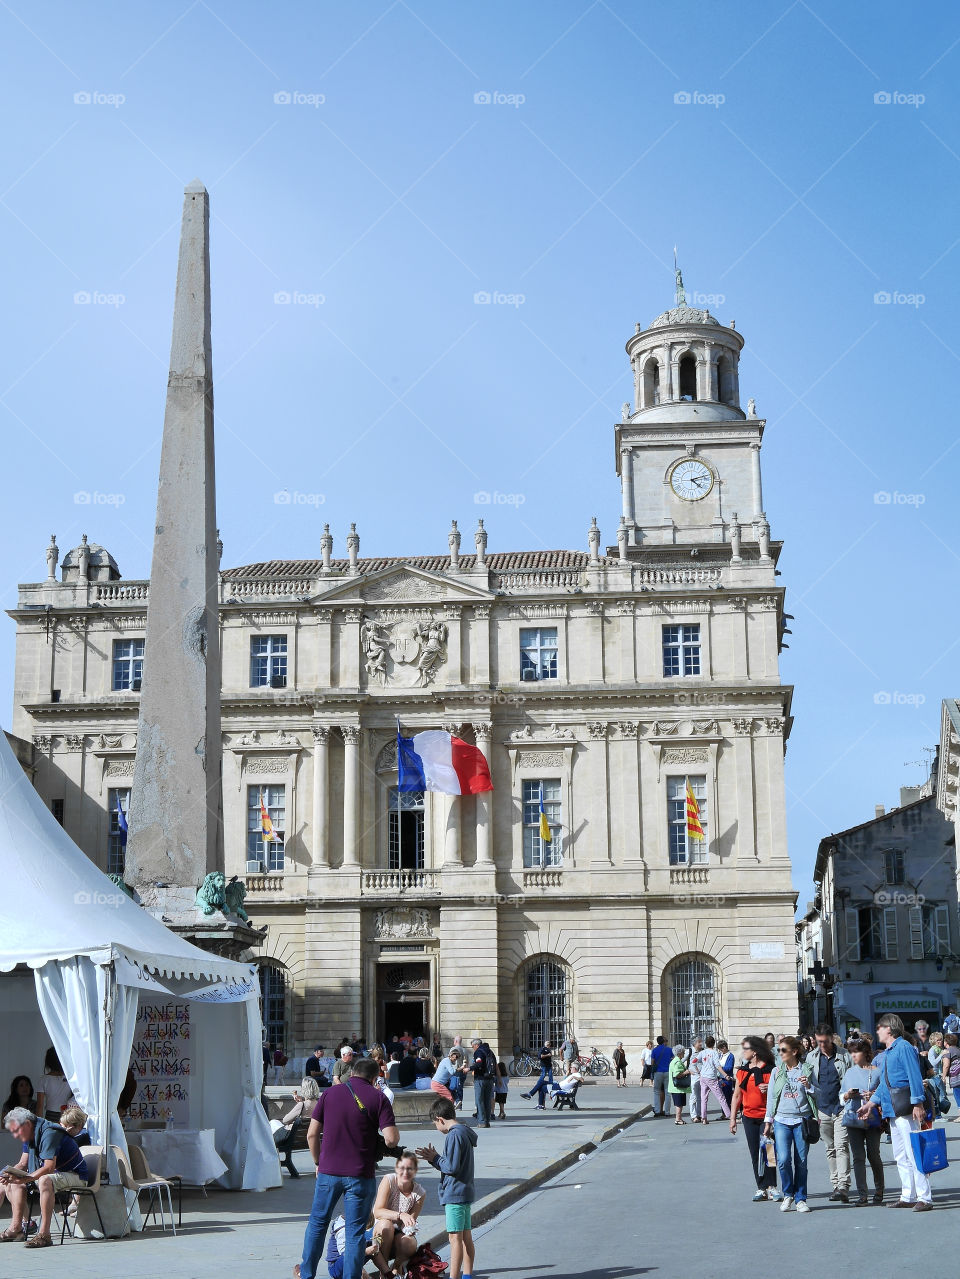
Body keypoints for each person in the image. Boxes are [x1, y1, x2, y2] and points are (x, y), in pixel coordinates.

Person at [297, 1057, 400, 1279]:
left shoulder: (329, 1094)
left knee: (317, 1223)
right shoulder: (378, 1097)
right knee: (354, 1233)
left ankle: (306, 1274)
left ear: (351, 1073)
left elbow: (312, 1134)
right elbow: (391, 1139)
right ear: (375, 1079)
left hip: (328, 1172)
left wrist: (318, 1163)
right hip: (361, 1174)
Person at [858, 1013, 932, 1210]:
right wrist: (870, 1104)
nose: (877, 1031)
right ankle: (908, 1195)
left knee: (914, 1152)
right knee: (900, 1154)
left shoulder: (904, 1048)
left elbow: (914, 1076)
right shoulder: (888, 1052)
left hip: (906, 1107)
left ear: (889, 1029)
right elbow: (884, 1085)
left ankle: (925, 1197)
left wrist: (918, 1103)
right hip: (893, 1108)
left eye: (879, 1028)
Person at [1, 1107, 91, 1248]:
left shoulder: (50, 1133)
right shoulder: (29, 1133)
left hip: (76, 1175)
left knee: (45, 1180)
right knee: (10, 1183)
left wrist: (25, 1179)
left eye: (16, 1130)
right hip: (55, 1174)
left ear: (27, 1125)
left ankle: (44, 1235)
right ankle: (16, 1228)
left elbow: (49, 1167)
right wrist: (7, 1174)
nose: (15, 1135)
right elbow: (23, 1163)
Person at [416, 1097, 478, 1279]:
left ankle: (455, 1276)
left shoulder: (453, 1135)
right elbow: (453, 1165)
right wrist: (435, 1160)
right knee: (466, 1237)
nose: (436, 1127)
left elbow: (451, 1167)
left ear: (440, 1119)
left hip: (455, 1194)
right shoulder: (464, 1132)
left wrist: (435, 1158)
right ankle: (467, 1274)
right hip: (465, 1191)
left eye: (435, 1123)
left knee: (454, 1238)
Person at [763, 1035, 815, 1214]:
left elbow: (818, 1093)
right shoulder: (776, 1072)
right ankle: (788, 1194)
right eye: (779, 1050)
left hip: (801, 1120)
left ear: (794, 1051)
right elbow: (771, 1097)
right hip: (781, 1120)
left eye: (783, 1050)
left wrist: (809, 1086)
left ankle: (800, 1198)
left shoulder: (807, 1069)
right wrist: (768, 1121)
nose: (780, 1053)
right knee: (783, 1160)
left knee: (801, 1162)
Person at [806, 1022, 852, 1203]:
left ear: (832, 1038)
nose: (822, 1045)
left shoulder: (844, 1055)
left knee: (841, 1146)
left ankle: (843, 1186)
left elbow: (850, 1078)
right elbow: (809, 1083)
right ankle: (835, 1185)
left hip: (841, 1108)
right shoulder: (811, 1057)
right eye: (819, 1042)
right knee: (830, 1148)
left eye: (825, 1041)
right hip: (822, 1109)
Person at [729, 1036, 780, 1201]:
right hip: (749, 1117)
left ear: (755, 1052)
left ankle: (772, 1186)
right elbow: (736, 1096)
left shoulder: (771, 1070)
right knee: (755, 1153)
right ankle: (761, 1187)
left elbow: (779, 1094)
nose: (743, 1052)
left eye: (746, 1049)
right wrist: (732, 1119)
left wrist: (770, 1089)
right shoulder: (742, 1071)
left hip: (767, 1117)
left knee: (768, 1151)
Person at [840, 1038, 884, 1206]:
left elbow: (884, 1096)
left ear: (865, 1052)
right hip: (853, 1117)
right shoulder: (850, 1072)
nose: (853, 1056)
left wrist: (873, 1096)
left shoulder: (877, 1072)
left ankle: (879, 1189)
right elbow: (841, 1095)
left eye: (855, 1052)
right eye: (851, 1052)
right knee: (858, 1157)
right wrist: (847, 1095)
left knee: (873, 1155)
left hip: (872, 1118)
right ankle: (862, 1194)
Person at [368, 1152, 425, 1277]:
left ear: (415, 1171)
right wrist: (400, 1215)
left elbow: (410, 1222)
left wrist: (411, 1227)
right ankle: (384, 1272)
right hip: (378, 1229)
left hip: (398, 1231)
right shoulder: (388, 1180)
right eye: (402, 1168)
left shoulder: (419, 1193)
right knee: (386, 1225)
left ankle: (396, 1267)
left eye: (409, 1168)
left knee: (410, 1243)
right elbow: (378, 1212)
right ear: (396, 1168)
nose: (405, 1172)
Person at [275, 1078, 321, 1178]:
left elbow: (286, 1120)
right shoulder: (319, 1104)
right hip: (305, 1140)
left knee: (273, 1123)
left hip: (291, 1139)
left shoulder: (302, 1105)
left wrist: (299, 1104)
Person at [695, 1036, 732, 1122]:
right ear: (714, 1043)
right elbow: (717, 1066)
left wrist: (698, 1071)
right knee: (721, 1097)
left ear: (706, 1043)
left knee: (703, 1098)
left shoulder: (702, 1052)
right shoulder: (714, 1053)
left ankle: (704, 1118)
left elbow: (694, 1061)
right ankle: (729, 1115)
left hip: (703, 1077)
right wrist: (725, 1075)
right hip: (711, 1077)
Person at [35, 1048, 74, 1121]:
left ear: (48, 1062)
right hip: (68, 1113)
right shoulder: (70, 1078)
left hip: (50, 1114)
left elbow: (40, 1106)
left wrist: (39, 1126)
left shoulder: (43, 1079)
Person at [470, 1038, 496, 1128]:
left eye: (473, 1046)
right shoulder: (490, 1052)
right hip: (490, 1079)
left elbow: (479, 1064)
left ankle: (481, 1121)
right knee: (487, 1100)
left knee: (479, 1100)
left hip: (480, 1079)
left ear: (476, 1045)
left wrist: (469, 1068)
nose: (473, 1048)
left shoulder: (479, 1052)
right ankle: (487, 1121)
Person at [650, 1036, 674, 1117]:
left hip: (658, 1072)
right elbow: (673, 1059)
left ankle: (657, 1111)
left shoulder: (654, 1050)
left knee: (656, 1092)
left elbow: (652, 1062)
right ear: (664, 1041)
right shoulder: (669, 1049)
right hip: (667, 1072)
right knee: (668, 1092)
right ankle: (667, 1112)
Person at [940, 1031, 960, 1119]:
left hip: (956, 1077)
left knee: (957, 1095)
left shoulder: (947, 1051)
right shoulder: (957, 1049)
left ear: (946, 1042)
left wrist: (943, 1077)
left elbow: (946, 1065)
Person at [668, 1046, 690, 1124]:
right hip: (677, 1087)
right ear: (679, 1053)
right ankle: (678, 1119)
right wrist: (686, 1072)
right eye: (683, 1052)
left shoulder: (675, 1061)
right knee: (679, 1104)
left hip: (676, 1087)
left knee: (679, 1104)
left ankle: (679, 1118)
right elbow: (677, 1074)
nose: (684, 1053)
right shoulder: (677, 1062)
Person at [687, 1036, 704, 1121]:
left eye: (701, 1041)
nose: (701, 1043)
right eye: (699, 1042)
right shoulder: (689, 1051)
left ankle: (699, 1114)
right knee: (693, 1096)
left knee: (700, 1096)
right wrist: (688, 1071)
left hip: (703, 1077)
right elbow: (680, 1061)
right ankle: (693, 1116)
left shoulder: (703, 1051)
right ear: (694, 1043)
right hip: (694, 1077)